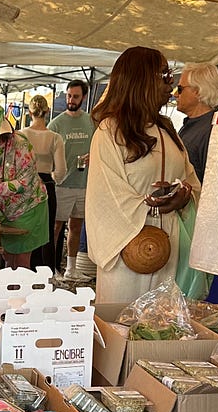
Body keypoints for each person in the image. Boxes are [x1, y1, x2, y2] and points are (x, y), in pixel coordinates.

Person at [85, 46, 199, 303]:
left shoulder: (167, 129)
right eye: (165, 76)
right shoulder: (110, 131)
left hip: (169, 247)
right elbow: (106, 196)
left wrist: (183, 197)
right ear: (141, 79)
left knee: (162, 326)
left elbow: (190, 179)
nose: (171, 85)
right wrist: (151, 204)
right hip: (128, 247)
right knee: (123, 326)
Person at [49, 79, 96, 277]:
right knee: (56, 227)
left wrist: (91, 156)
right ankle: (51, 268)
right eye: (69, 95)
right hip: (62, 184)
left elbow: (98, 147)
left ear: (83, 98)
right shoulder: (57, 123)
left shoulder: (90, 121)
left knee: (76, 226)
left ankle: (71, 269)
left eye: (75, 96)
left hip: (84, 183)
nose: (71, 99)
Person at [0, 115, 50, 269]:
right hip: (7, 209)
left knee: (22, 261)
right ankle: (9, 291)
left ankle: (20, 292)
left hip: (29, 206)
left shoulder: (21, 145)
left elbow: (24, 184)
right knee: (8, 257)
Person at [23, 93, 65, 272]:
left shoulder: (21, 135)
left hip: (25, 183)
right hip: (47, 183)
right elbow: (62, 170)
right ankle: (45, 273)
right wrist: (53, 179)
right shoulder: (55, 138)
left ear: (29, 112)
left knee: (26, 228)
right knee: (46, 232)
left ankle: (24, 269)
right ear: (47, 111)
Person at [174, 63, 218, 181]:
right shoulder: (194, 125)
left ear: (198, 92)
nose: (175, 94)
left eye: (180, 89)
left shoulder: (211, 130)